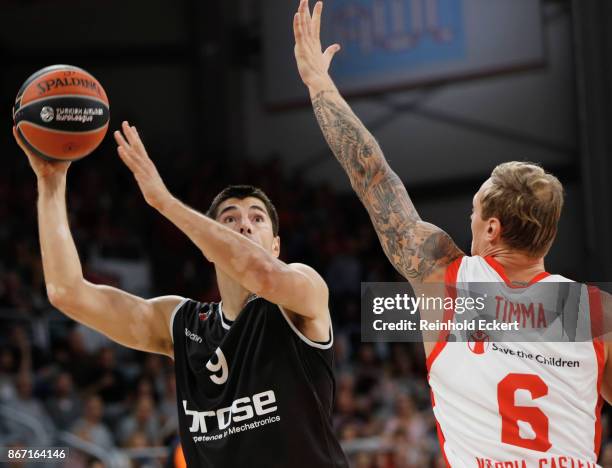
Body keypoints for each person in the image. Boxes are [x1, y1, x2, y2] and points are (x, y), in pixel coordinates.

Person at [293, 0, 611, 465]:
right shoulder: (596, 314)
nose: (469, 222)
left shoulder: (445, 282)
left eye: (474, 213)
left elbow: (374, 177)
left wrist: (321, 87)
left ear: (493, 228)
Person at [13, 123, 348, 467]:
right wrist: (51, 183)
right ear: (209, 246)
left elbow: (262, 274)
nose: (244, 224)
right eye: (229, 219)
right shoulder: (183, 325)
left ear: (277, 246)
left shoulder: (303, 293)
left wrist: (164, 202)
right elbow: (67, 293)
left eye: (257, 218)